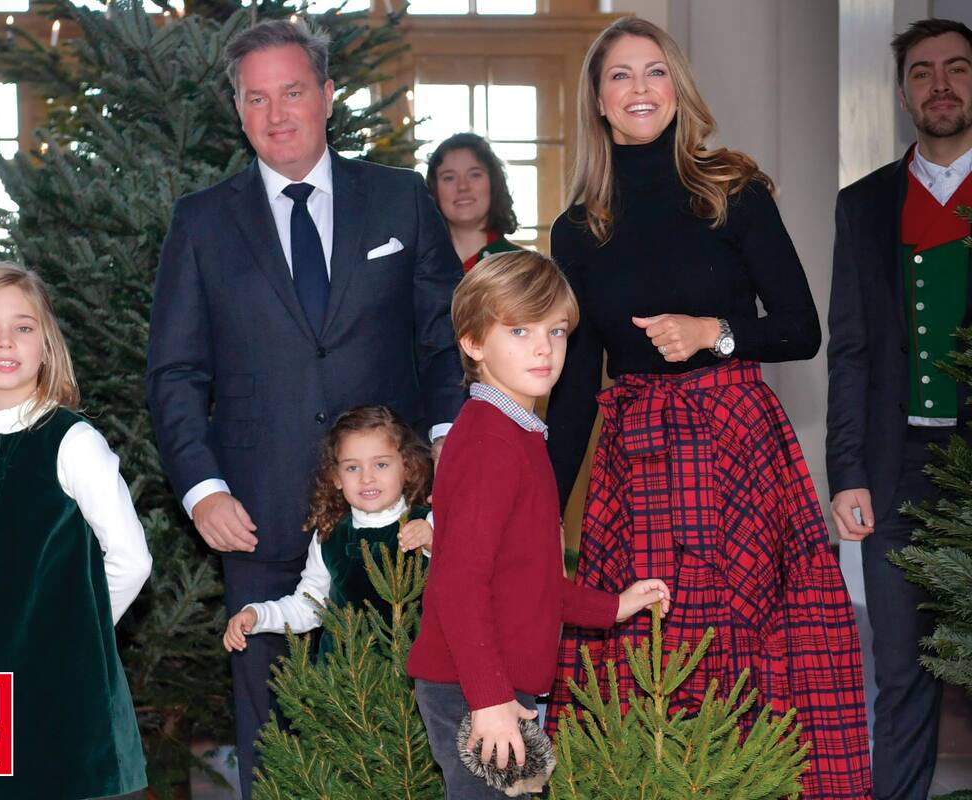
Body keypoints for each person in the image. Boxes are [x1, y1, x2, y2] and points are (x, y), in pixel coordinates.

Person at [543, 17, 871, 800]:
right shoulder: (577, 230)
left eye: (653, 72)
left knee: (751, 644)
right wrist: (540, 512)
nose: (639, 90)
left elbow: (800, 329)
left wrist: (712, 335)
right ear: (597, 100)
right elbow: (574, 387)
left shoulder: (732, 192)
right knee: (644, 648)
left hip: (738, 447)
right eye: (619, 76)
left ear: (677, 86)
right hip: (638, 463)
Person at [145, 18, 464, 799]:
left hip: (392, 513)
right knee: (267, 715)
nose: (277, 113)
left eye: (292, 92)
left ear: (326, 95)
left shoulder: (398, 201)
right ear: (237, 110)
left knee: (407, 706)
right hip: (253, 508)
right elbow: (175, 371)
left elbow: (448, 340)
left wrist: (451, 455)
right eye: (257, 98)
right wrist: (202, 488)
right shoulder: (202, 221)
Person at [406, 250, 670, 800]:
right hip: (473, 685)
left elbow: (528, 577)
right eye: (520, 329)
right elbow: (458, 584)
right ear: (474, 343)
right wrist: (488, 699)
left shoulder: (518, 433)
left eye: (556, 330)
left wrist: (611, 607)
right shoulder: (487, 444)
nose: (544, 347)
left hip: (499, 682)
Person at [0, 263, 152, 800]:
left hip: (56, 679)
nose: (5, 340)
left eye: (24, 327)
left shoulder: (74, 443)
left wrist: (76, 634)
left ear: (47, 345)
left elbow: (130, 558)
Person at [827, 18, 972, 800]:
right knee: (902, 668)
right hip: (896, 467)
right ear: (904, 90)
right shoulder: (865, 205)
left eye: (956, 68)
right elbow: (848, 350)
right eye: (922, 72)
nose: (940, 85)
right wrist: (847, 472)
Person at [222, 404, 432, 654]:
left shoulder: (429, 524)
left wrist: (433, 544)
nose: (367, 478)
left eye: (381, 465)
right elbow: (308, 606)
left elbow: (465, 584)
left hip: (412, 679)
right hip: (343, 683)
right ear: (336, 477)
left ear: (407, 467)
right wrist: (257, 614)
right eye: (352, 467)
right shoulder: (329, 536)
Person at [426, 132, 522, 272]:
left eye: (475, 175)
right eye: (449, 178)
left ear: (494, 184)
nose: (463, 186)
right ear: (433, 189)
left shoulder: (522, 268)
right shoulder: (417, 267)